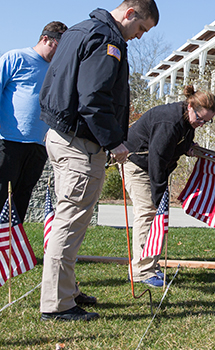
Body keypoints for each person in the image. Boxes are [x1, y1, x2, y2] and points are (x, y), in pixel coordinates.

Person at [39, 0, 159, 322]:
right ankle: (57, 304)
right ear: (130, 14)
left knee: (71, 221)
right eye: (141, 29)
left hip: (61, 135)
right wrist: (114, 142)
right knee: (70, 223)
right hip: (81, 143)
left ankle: (66, 289)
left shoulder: (79, 30)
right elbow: (94, 98)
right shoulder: (108, 39)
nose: (138, 36)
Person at [123, 86, 215, 287]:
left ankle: (152, 265)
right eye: (200, 119)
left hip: (153, 166)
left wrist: (188, 148)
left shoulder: (186, 121)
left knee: (156, 213)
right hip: (137, 164)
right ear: (190, 106)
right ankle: (141, 270)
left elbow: (179, 143)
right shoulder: (170, 121)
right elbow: (157, 160)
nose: (201, 124)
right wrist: (160, 196)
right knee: (149, 212)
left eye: (207, 122)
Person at [0, 21, 67, 222]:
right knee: (2, 194)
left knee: (22, 198)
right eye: (59, 46)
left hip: (39, 145)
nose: (60, 52)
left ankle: (11, 250)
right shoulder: (15, 58)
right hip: (9, 141)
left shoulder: (56, 70)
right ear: (45, 39)